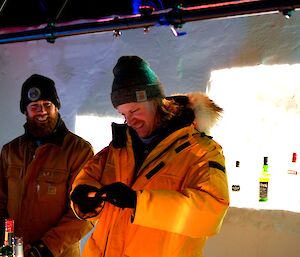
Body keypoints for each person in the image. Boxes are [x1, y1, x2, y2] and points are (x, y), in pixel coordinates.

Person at [70, 56, 230, 257]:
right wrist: (83, 196)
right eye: (123, 115)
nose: (130, 121)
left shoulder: (201, 151)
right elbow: (88, 177)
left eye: (135, 110)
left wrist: (139, 203)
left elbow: (210, 213)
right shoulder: (119, 147)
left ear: (157, 102)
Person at [0, 74, 94, 257]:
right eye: (34, 106)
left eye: (47, 105)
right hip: (14, 252)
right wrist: (8, 242)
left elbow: (85, 213)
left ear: (56, 107)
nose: (41, 111)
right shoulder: (10, 152)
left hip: (56, 253)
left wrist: (45, 248)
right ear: (25, 111)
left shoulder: (79, 151)